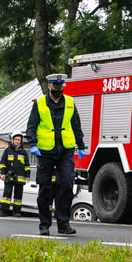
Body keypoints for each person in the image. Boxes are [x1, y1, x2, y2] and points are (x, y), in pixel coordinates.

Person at [25, 74, 87, 236]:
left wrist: (81, 146)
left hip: (65, 150)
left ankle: (63, 224)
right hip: (45, 151)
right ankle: (44, 225)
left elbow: (76, 125)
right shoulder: (39, 104)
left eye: (61, 87)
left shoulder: (70, 103)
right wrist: (32, 145)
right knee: (45, 187)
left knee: (66, 185)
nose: (59, 89)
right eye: (56, 86)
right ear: (49, 86)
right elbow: (31, 126)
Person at [0, 131, 32, 217]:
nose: (17, 141)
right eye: (15, 139)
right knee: (6, 194)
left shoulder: (23, 152)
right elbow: (2, 163)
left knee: (18, 196)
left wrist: (27, 175)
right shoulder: (7, 151)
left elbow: (27, 165)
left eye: (19, 140)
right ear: (12, 140)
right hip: (9, 177)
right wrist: (3, 173)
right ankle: (3, 211)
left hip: (20, 178)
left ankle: (17, 212)